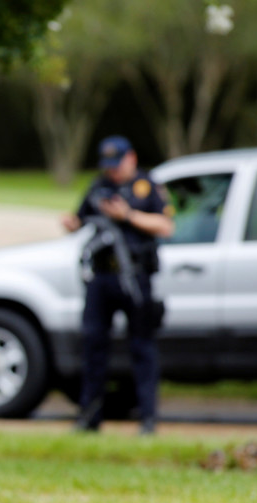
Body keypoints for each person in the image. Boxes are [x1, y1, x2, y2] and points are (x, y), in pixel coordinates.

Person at [62, 135, 175, 435]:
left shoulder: (147, 186)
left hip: (136, 277)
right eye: (108, 165)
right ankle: (90, 417)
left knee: (142, 348)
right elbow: (80, 218)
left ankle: (148, 419)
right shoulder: (98, 186)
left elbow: (165, 226)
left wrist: (128, 215)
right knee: (94, 345)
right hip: (101, 278)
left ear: (132, 158)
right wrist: (71, 223)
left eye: (117, 164)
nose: (112, 171)